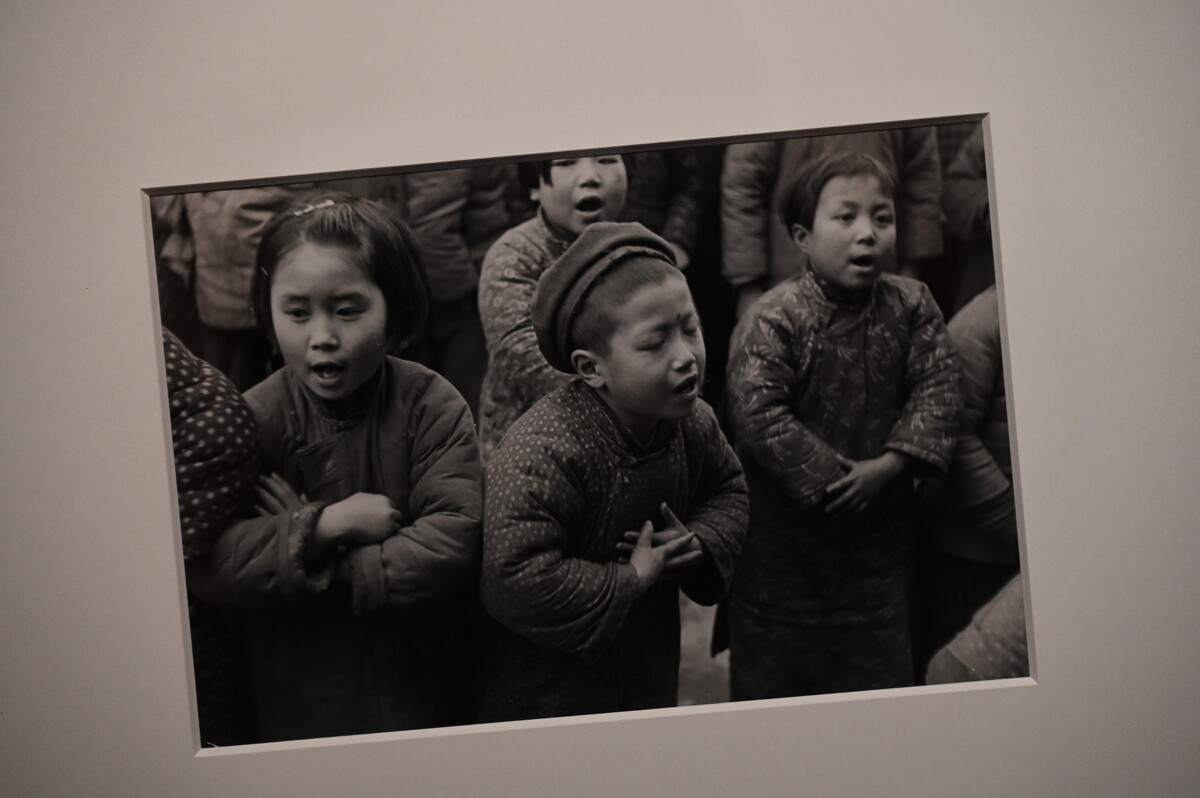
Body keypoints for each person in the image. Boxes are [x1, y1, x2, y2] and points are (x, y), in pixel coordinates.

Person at [186, 193, 483, 742]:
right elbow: (208, 564)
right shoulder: (250, 419)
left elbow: (451, 541)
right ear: (266, 310)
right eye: (296, 313)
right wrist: (328, 525)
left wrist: (310, 556)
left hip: (422, 683)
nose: (322, 336)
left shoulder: (431, 404)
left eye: (348, 311)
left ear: (394, 308)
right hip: (299, 694)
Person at [477, 223, 749, 721]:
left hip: (649, 659)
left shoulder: (693, 422)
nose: (686, 356)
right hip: (551, 685)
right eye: (655, 344)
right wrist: (628, 579)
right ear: (591, 368)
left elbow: (728, 488)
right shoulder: (544, 449)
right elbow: (510, 579)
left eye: (690, 328)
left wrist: (699, 541)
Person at [724, 153, 962, 698]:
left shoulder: (912, 305)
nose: (867, 234)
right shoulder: (772, 316)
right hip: (783, 556)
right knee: (778, 698)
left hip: (881, 553)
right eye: (846, 217)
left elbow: (940, 386)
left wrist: (889, 467)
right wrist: (837, 479)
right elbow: (758, 413)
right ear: (802, 236)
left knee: (877, 691)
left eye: (882, 218)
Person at [477, 154, 629, 459]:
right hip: (534, 450)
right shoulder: (514, 255)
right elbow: (525, 359)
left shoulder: (638, 247)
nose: (590, 176)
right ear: (535, 186)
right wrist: (636, 386)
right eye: (567, 163)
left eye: (607, 159)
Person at [911, 285, 1020, 678]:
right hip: (968, 556)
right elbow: (953, 434)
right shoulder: (980, 323)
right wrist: (1012, 523)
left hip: (1022, 558)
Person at [721, 127, 944, 319]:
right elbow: (743, 185)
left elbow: (922, 184)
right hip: (789, 278)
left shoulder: (901, 86)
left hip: (878, 280)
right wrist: (747, 286)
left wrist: (912, 271)